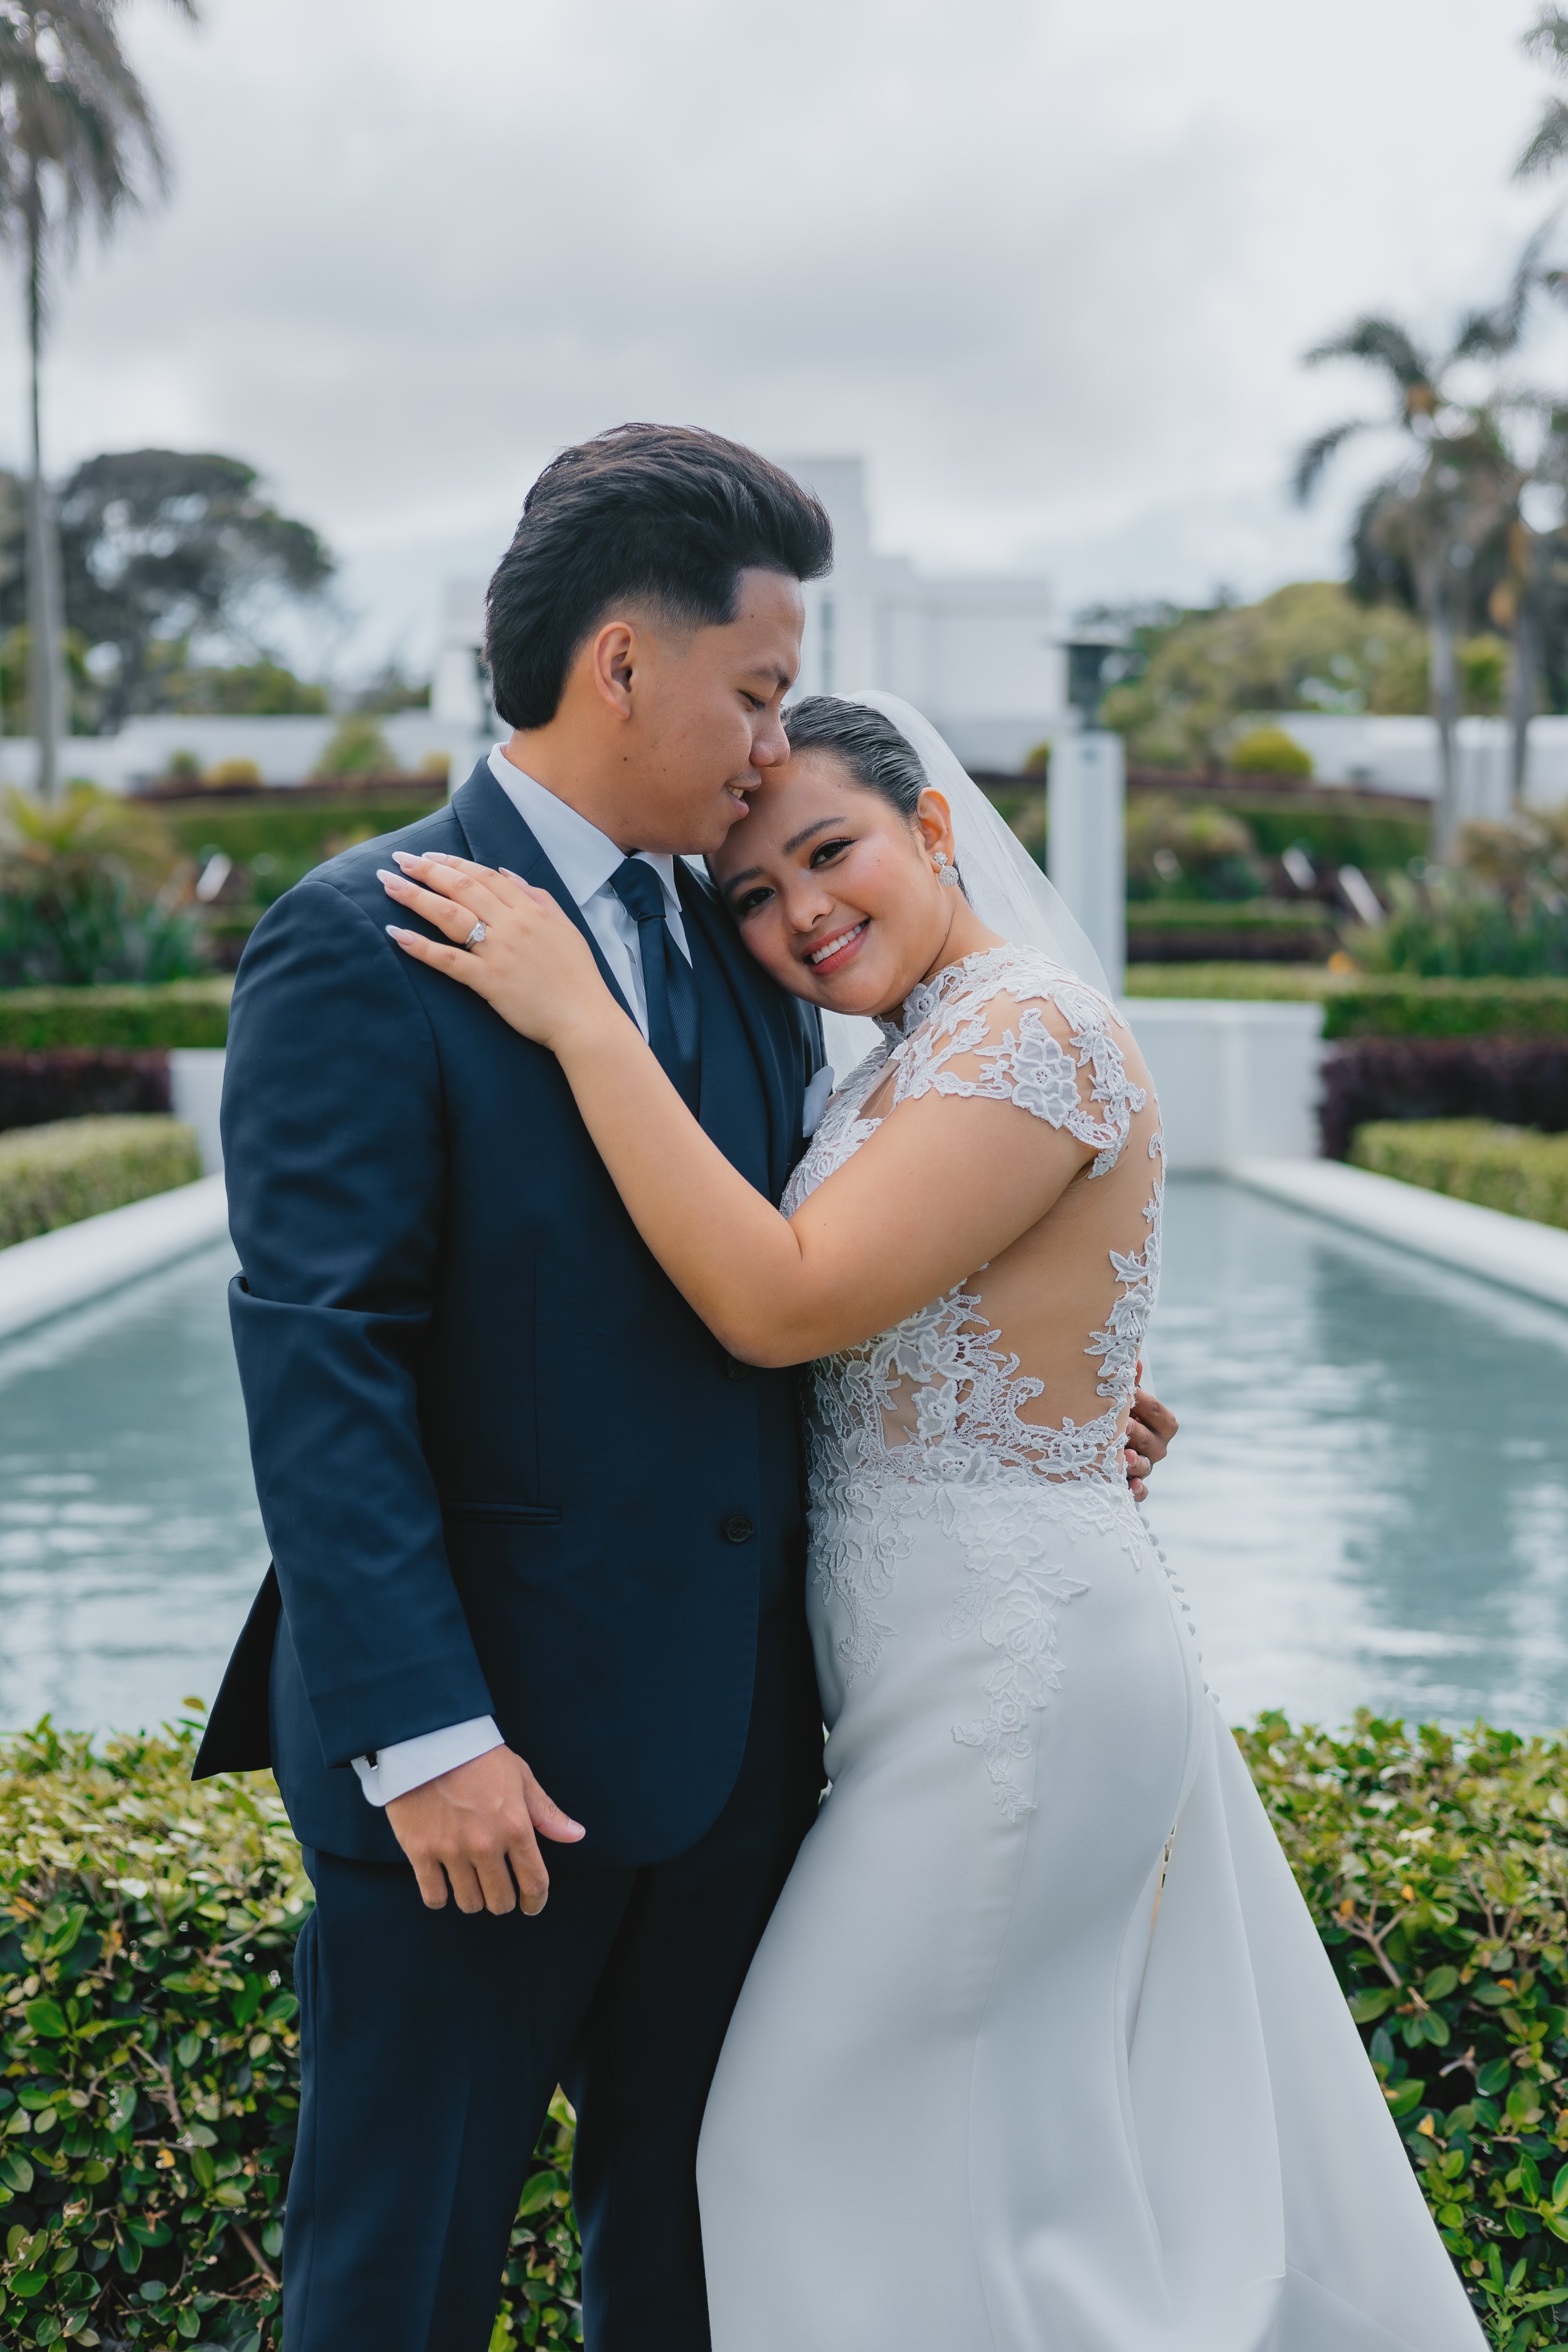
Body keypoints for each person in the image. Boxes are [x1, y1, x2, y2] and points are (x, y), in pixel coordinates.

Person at [194, 419, 1182, 2352]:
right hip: (482, 1784)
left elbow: (833, 1262)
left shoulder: (743, 943)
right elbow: (323, 1364)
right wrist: (424, 1739)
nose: (765, 748)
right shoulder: (365, 935)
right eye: (752, 691)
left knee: (704, 2272)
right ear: (622, 660)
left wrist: (1045, 1409)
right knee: (394, 2279)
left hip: (745, 1770)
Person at [383, 689, 1486, 2352]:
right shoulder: (909, 1055)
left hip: (1015, 1686)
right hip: (932, 1682)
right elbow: (909, 1321)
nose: (798, 913)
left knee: (785, 2135)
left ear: (934, 830)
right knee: (976, 2179)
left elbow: (782, 1303)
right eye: (751, 894)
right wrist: (1056, 1387)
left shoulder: (1024, 1027)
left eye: (830, 854)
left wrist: (581, 1020)